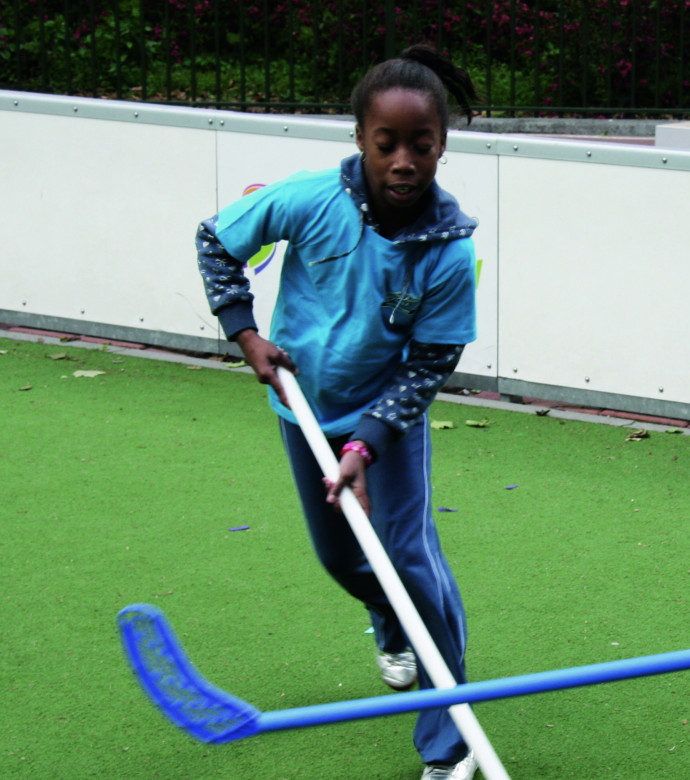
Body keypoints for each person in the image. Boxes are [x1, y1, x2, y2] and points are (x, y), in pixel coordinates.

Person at [195, 44, 482, 780]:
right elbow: (215, 242)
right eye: (386, 143)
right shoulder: (310, 199)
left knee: (413, 565)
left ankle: (448, 748)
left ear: (442, 145)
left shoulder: (447, 251)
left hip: (386, 422)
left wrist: (368, 443)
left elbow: (430, 363)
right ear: (360, 139)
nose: (403, 161)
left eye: (421, 145)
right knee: (342, 557)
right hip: (302, 411)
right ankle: (390, 621)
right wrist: (247, 334)